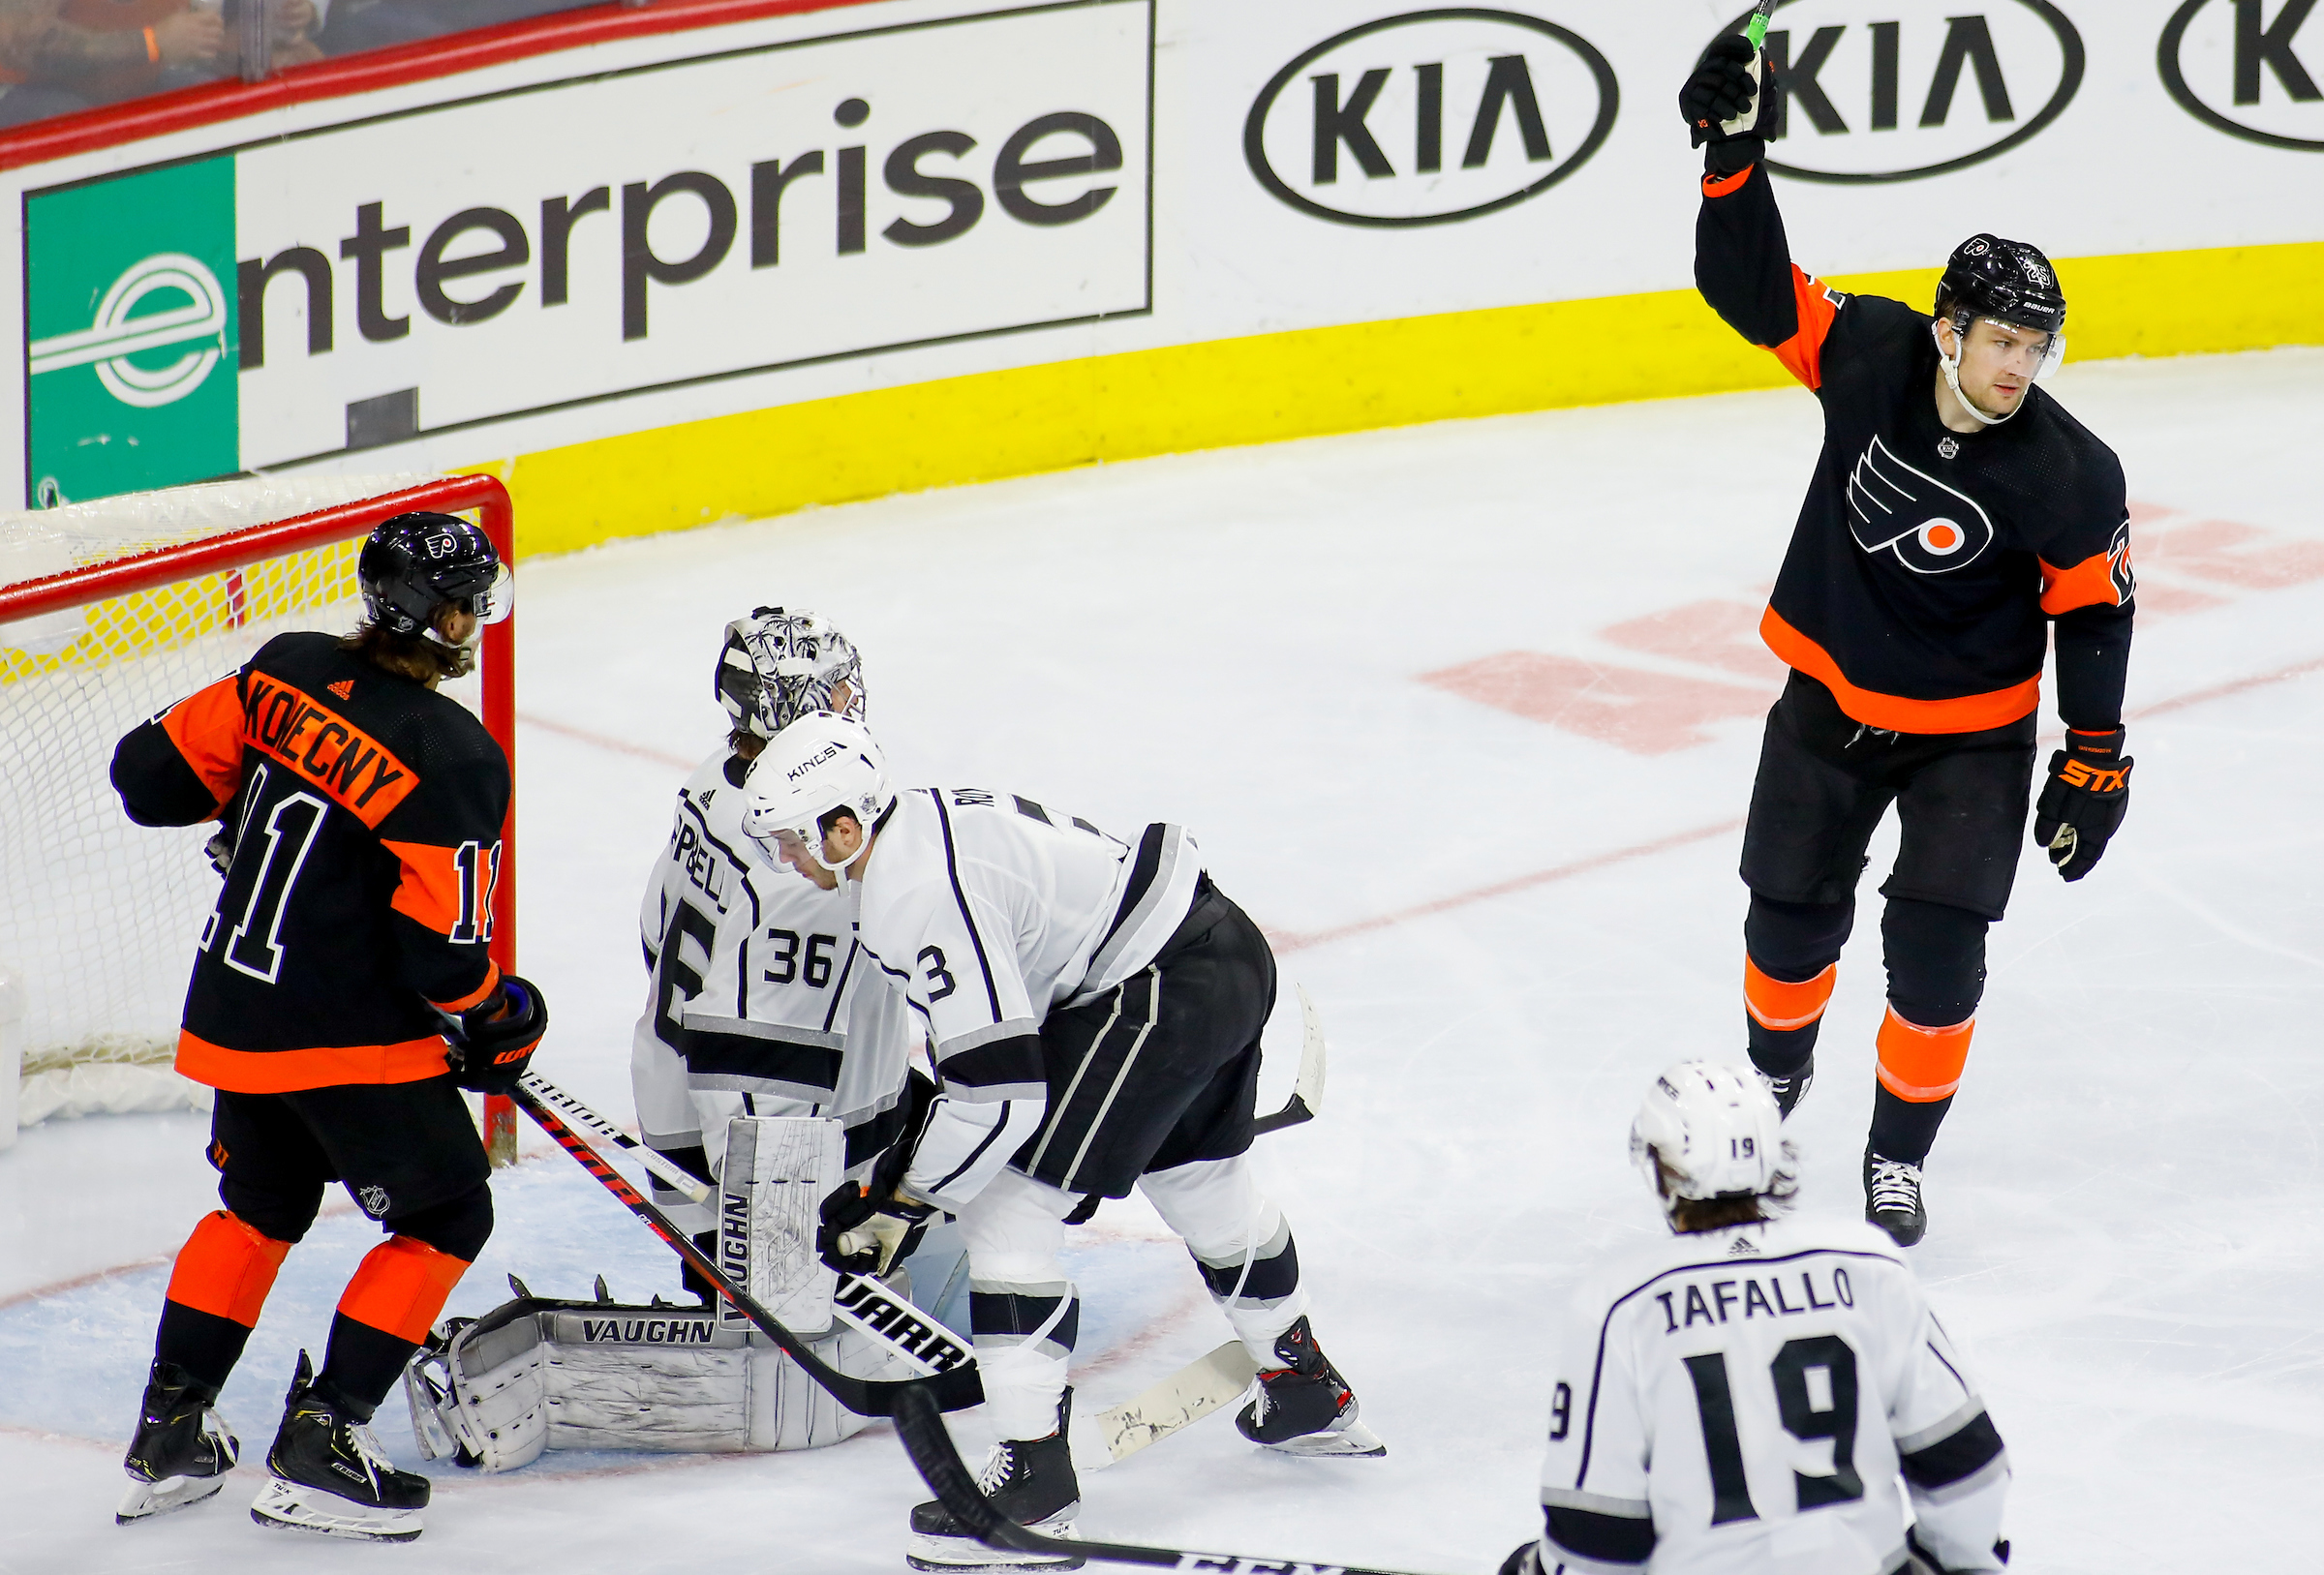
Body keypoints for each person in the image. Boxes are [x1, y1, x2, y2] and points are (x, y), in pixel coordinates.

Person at [1679, 32, 2137, 1245]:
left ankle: (1896, 1156)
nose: (2018, 367)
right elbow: (1751, 291)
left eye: (2037, 348)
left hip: (1971, 746)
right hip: (1827, 705)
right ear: (1949, 329)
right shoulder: (1870, 350)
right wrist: (1733, 156)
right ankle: (1775, 1080)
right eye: (2001, 341)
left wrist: (2095, 754)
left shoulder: (2070, 471)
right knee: (1786, 917)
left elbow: (2097, 606)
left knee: (1938, 965)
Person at [745, 712, 1379, 1573]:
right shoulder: (922, 826)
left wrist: (904, 1200)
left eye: (791, 838)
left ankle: (1036, 1488)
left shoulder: (909, 888)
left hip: (1154, 993)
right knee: (1203, 1183)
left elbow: (999, 1093)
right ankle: (1304, 1386)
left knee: (1008, 1206)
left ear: (844, 826)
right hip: (1217, 950)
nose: (786, 857)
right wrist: (907, 1176)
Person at [107, 511, 547, 1541]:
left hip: (235, 1009)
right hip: (347, 1038)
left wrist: (246, 812)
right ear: (434, 617)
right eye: (464, 602)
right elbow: (438, 956)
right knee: (447, 1217)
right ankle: (324, 1438)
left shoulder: (285, 670)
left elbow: (146, 778)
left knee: (258, 1205)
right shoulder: (454, 754)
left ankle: (169, 1432)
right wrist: (498, 1014)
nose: (476, 618)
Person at [1500, 1063, 2010, 1575]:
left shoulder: (1621, 1305)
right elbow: (1966, 1466)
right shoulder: (1867, 1267)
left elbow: (1596, 1535)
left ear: (1662, 1170)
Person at [630, 606, 921, 1302]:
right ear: (795, 704)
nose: (851, 702)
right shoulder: (797, 848)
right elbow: (767, 1051)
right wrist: (776, 1209)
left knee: (716, 1294)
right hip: (764, 1136)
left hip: (669, 1086)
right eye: (835, 689)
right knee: (778, 1319)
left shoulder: (716, 780)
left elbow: (653, 928)